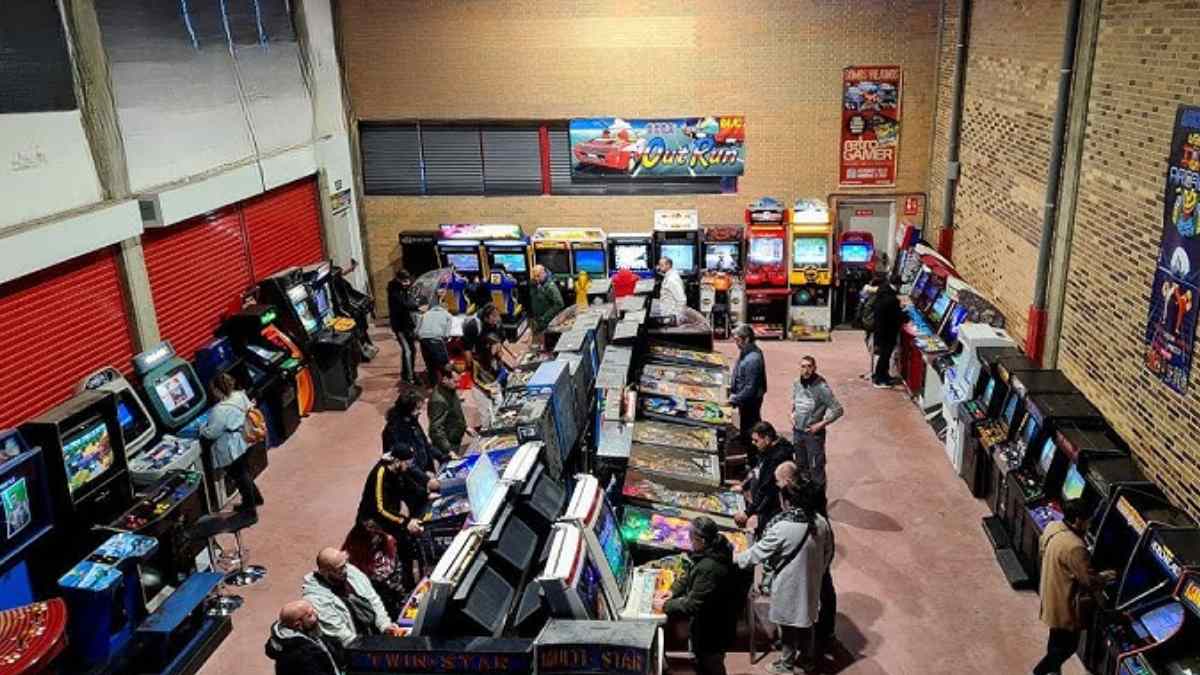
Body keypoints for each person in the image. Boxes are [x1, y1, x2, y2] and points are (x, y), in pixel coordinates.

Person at [735, 482, 834, 675]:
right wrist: (817, 573)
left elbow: (758, 553)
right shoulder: (821, 522)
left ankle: (786, 665)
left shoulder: (784, 527)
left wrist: (736, 558)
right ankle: (807, 661)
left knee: (788, 625)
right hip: (811, 582)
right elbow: (829, 552)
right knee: (806, 621)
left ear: (787, 502)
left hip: (789, 584)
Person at [1033, 499, 1116, 675]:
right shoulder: (1076, 547)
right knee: (1068, 647)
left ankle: (1052, 672)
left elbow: (1042, 549)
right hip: (1066, 604)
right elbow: (1089, 581)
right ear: (1078, 520)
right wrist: (1107, 576)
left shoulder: (1053, 527)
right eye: (1088, 520)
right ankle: (1040, 672)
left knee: (1056, 640)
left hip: (1051, 592)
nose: (1089, 524)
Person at [653, 517, 742, 675]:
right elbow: (691, 572)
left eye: (691, 537)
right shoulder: (712, 550)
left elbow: (693, 605)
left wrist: (665, 606)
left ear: (701, 540)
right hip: (709, 622)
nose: (688, 540)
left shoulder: (710, 568)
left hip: (713, 628)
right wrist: (673, 591)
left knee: (710, 663)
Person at [355, 448, 439, 591]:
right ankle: (401, 589)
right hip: (374, 523)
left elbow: (408, 486)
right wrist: (405, 522)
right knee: (392, 560)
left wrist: (425, 495)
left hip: (391, 517)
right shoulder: (380, 474)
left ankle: (411, 584)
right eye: (408, 462)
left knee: (407, 549)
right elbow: (380, 509)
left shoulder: (399, 470)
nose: (409, 466)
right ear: (397, 461)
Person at [301, 547, 404, 647]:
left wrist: (385, 625)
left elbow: (373, 599)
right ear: (326, 573)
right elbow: (340, 634)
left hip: (372, 634)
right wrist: (366, 647)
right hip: (351, 649)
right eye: (339, 569)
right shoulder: (316, 598)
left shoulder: (350, 572)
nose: (345, 570)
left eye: (344, 565)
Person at [200, 372, 263, 513]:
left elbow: (211, 433)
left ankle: (249, 506)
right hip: (245, 439)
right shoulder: (240, 395)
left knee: (240, 477)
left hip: (231, 449)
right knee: (245, 472)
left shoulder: (219, 410)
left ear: (217, 390)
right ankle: (256, 498)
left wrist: (201, 429)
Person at [734, 422, 795, 539]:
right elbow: (756, 469)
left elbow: (766, 490)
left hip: (769, 509)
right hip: (758, 503)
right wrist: (744, 485)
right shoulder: (766, 450)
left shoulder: (776, 459)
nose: (753, 443)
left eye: (756, 440)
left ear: (766, 439)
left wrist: (749, 513)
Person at [791, 355, 844, 487]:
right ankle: (805, 500)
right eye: (803, 366)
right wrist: (791, 414)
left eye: (809, 366)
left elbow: (838, 409)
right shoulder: (796, 383)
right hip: (798, 432)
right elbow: (794, 400)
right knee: (801, 467)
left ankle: (819, 503)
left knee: (816, 470)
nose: (806, 370)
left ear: (815, 368)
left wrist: (821, 424)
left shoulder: (821, 388)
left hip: (813, 435)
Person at [343, 519, 406, 618]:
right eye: (371, 539)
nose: (376, 540)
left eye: (377, 536)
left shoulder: (388, 540)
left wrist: (397, 584)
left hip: (395, 591)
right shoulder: (351, 557)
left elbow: (396, 564)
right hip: (375, 599)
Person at [264, 599, 342, 675]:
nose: (316, 616)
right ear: (298, 625)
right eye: (310, 615)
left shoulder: (282, 639)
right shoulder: (304, 654)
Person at [729, 324, 768, 462]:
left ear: (746, 339)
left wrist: (733, 399)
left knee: (751, 429)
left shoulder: (753, 359)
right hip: (744, 400)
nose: (736, 343)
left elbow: (750, 388)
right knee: (746, 427)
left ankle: (753, 459)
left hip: (750, 401)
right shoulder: (746, 351)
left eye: (738, 340)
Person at [382, 387, 442, 472]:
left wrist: (441, 457)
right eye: (417, 408)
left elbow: (425, 445)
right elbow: (404, 462)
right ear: (407, 409)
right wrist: (424, 478)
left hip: (425, 472)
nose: (420, 411)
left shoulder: (412, 421)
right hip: (412, 480)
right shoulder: (393, 431)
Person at [870, 274, 906, 388]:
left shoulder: (883, 291)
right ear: (898, 285)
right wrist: (906, 316)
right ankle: (879, 380)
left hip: (880, 331)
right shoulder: (891, 299)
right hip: (886, 333)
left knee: (884, 356)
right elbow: (896, 316)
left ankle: (884, 376)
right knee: (884, 356)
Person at [387, 268, 419, 384]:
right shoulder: (394, 290)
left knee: (413, 349)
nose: (407, 283)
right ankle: (409, 377)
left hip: (407, 323)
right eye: (404, 281)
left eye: (408, 280)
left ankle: (408, 372)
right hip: (399, 325)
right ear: (398, 279)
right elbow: (404, 304)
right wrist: (417, 307)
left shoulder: (404, 289)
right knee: (407, 351)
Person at [428, 368, 468, 461]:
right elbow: (436, 429)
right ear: (445, 379)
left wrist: (465, 427)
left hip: (455, 437)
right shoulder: (438, 401)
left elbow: (454, 413)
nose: (458, 385)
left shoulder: (450, 389)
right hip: (448, 444)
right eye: (455, 382)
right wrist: (448, 450)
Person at [416, 289, 453, 385]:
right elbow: (446, 334)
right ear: (446, 309)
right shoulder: (447, 315)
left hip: (423, 340)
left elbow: (416, 331)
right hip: (436, 339)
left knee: (430, 364)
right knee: (445, 364)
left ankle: (433, 385)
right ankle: (448, 385)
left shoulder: (425, 314)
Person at [530, 264, 564, 346]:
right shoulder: (535, 284)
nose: (536, 279)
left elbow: (559, 304)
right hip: (538, 321)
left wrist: (546, 317)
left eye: (538, 276)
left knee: (550, 345)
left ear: (544, 273)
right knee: (539, 345)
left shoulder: (550, 287)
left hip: (548, 321)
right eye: (534, 276)